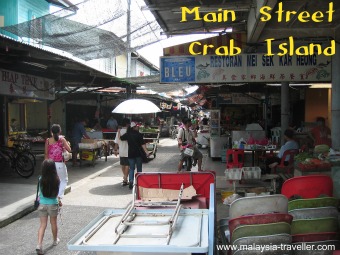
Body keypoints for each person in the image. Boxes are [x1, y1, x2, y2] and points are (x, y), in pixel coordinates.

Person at [36, 159, 61, 255]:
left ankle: (39, 245)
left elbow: (40, 192)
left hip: (42, 204)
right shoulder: (56, 179)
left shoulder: (40, 179)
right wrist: (59, 201)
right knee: (53, 223)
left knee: (42, 225)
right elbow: (56, 194)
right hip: (53, 204)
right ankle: (55, 240)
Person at [45, 124, 72, 205]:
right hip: (60, 164)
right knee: (64, 180)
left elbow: (46, 153)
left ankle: (52, 198)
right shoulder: (62, 139)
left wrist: (45, 165)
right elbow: (69, 150)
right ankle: (59, 197)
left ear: (51, 132)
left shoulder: (48, 140)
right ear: (60, 131)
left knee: (53, 181)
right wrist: (67, 143)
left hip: (50, 164)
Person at [120, 122, 149, 190]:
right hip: (138, 154)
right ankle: (139, 181)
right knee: (139, 168)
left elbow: (121, 138)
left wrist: (119, 131)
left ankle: (131, 181)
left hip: (130, 154)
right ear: (134, 127)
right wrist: (146, 152)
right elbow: (142, 144)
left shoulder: (128, 134)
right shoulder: (139, 135)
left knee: (132, 168)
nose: (138, 127)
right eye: (137, 126)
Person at [114, 118, 130, 186]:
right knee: (127, 165)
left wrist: (115, 150)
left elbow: (116, 142)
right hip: (128, 150)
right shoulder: (129, 131)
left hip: (121, 150)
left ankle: (125, 177)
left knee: (123, 165)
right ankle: (125, 179)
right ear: (127, 124)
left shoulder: (119, 131)